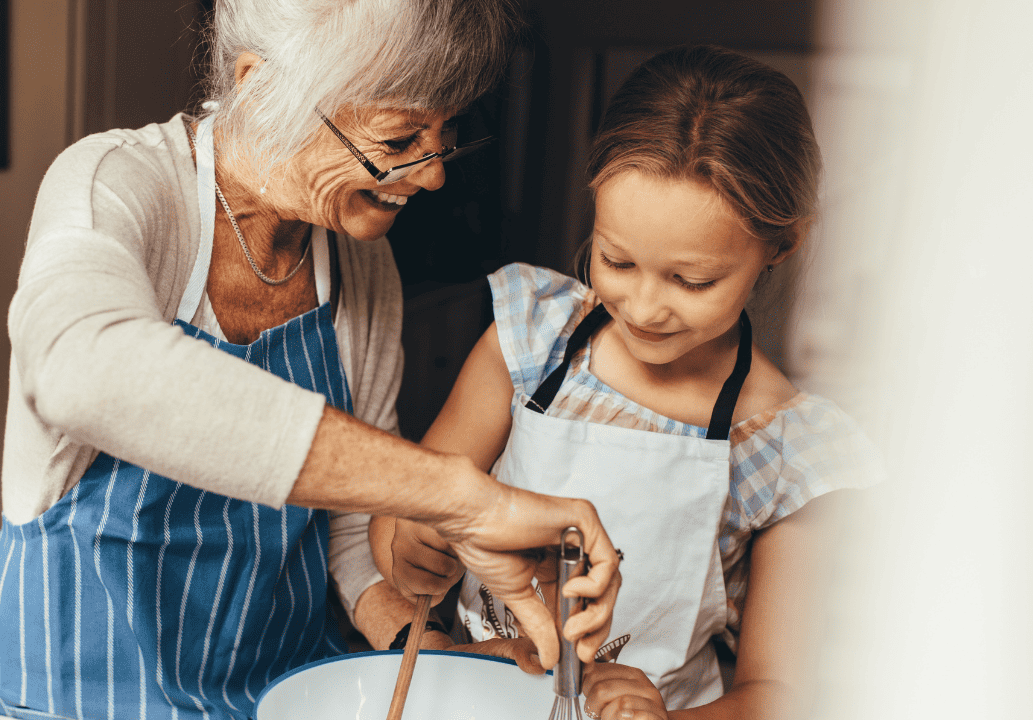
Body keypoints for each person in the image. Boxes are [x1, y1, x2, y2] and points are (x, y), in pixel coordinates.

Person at [0, 2, 622, 719]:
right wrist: (462, 495)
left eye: (446, 132)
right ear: (258, 85)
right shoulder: (117, 184)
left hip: (271, 700)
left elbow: (346, 535)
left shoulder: (364, 270)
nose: (431, 177)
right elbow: (80, 367)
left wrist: (432, 654)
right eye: (400, 136)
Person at [372, 45, 882, 719]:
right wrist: (414, 545)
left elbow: (776, 697)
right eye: (616, 260)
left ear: (778, 247)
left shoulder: (785, 446)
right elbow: (398, 526)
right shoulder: (531, 337)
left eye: (691, 281)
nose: (643, 307)